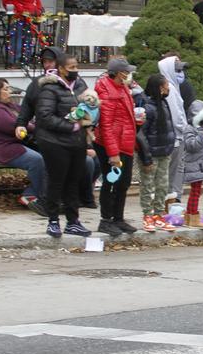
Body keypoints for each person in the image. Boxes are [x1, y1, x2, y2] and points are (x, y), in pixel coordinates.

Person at [35, 54, 93, 238]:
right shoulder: (49, 89)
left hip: (77, 142)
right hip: (55, 142)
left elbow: (88, 107)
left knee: (73, 181)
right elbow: (45, 116)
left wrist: (90, 119)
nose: (75, 70)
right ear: (61, 68)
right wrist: (72, 125)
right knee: (57, 181)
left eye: (76, 66)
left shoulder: (80, 87)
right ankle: (53, 220)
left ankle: (73, 221)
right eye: (71, 67)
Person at [0, 78, 47, 215]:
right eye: (5, 89)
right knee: (36, 160)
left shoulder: (10, 106)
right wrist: (36, 127)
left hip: (13, 145)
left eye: (9, 88)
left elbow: (27, 116)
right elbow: (13, 125)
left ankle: (34, 193)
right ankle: (37, 197)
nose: (9, 92)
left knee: (51, 154)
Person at [93, 58, 139, 237]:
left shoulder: (122, 88)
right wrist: (113, 154)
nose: (128, 73)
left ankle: (118, 218)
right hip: (111, 145)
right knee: (111, 182)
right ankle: (106, 220)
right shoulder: (106, 91)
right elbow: (106, 126)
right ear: (120, 73)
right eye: (126, 71)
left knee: (124, 182)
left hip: (125, 142)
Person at [137, 74, 178, 232]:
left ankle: (158, 215)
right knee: (148, 185)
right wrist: (146, 158)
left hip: (164, 153)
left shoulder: (164, 103)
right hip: (151, 154)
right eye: (166, 85)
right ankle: (147, 215)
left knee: (162, 186)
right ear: (160, 88)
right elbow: (141, 135)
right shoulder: (148, 107)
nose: (168, 88)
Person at [157, 54, 189, 206]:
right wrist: (184, 129)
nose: (180, 74)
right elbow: (176, 115)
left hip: (175, 136)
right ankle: (170, 201)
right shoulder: (169, 89)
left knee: (173, 171)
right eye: (177, 70)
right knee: (172, 172)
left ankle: (171, 200)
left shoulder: (173, 87)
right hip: (175, 137)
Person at [1, 0, 43, 66]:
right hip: (18, 17)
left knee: (28, 39)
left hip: (31, 17)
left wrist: (38, 9)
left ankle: (26, 60)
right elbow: (7, 0)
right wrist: (18, 10)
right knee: (17, 38)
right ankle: (14, 61)